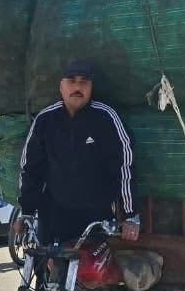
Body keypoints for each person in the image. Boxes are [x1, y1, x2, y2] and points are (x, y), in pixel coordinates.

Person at [17, 60, 140, 244]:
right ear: (61, 87)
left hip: (96, 220)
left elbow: (124, 167)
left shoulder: (106, 118)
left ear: (91, 88)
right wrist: (26, 212)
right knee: (45, 261)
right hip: (53, 219)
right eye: (71, 81)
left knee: (90, 263)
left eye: (84, 82)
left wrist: (131, 215)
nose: (77, 87)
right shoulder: (45, 120)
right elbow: (30, 169)